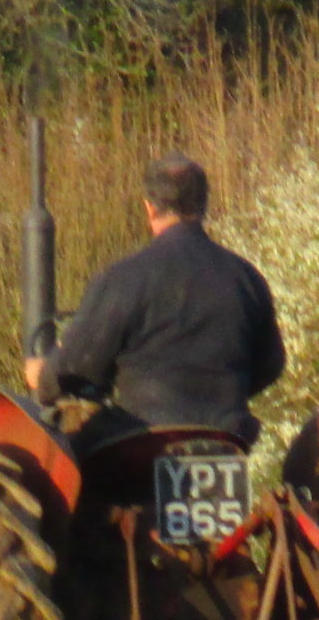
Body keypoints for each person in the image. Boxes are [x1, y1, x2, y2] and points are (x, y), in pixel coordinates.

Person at [24, 154, 286, 447]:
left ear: (149, 208)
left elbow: (78, 364)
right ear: (203, 206)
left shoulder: (123, 279)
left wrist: (44, 378)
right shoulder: (246, 278)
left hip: (142, 443)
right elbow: (271, 364)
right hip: (229, 438)